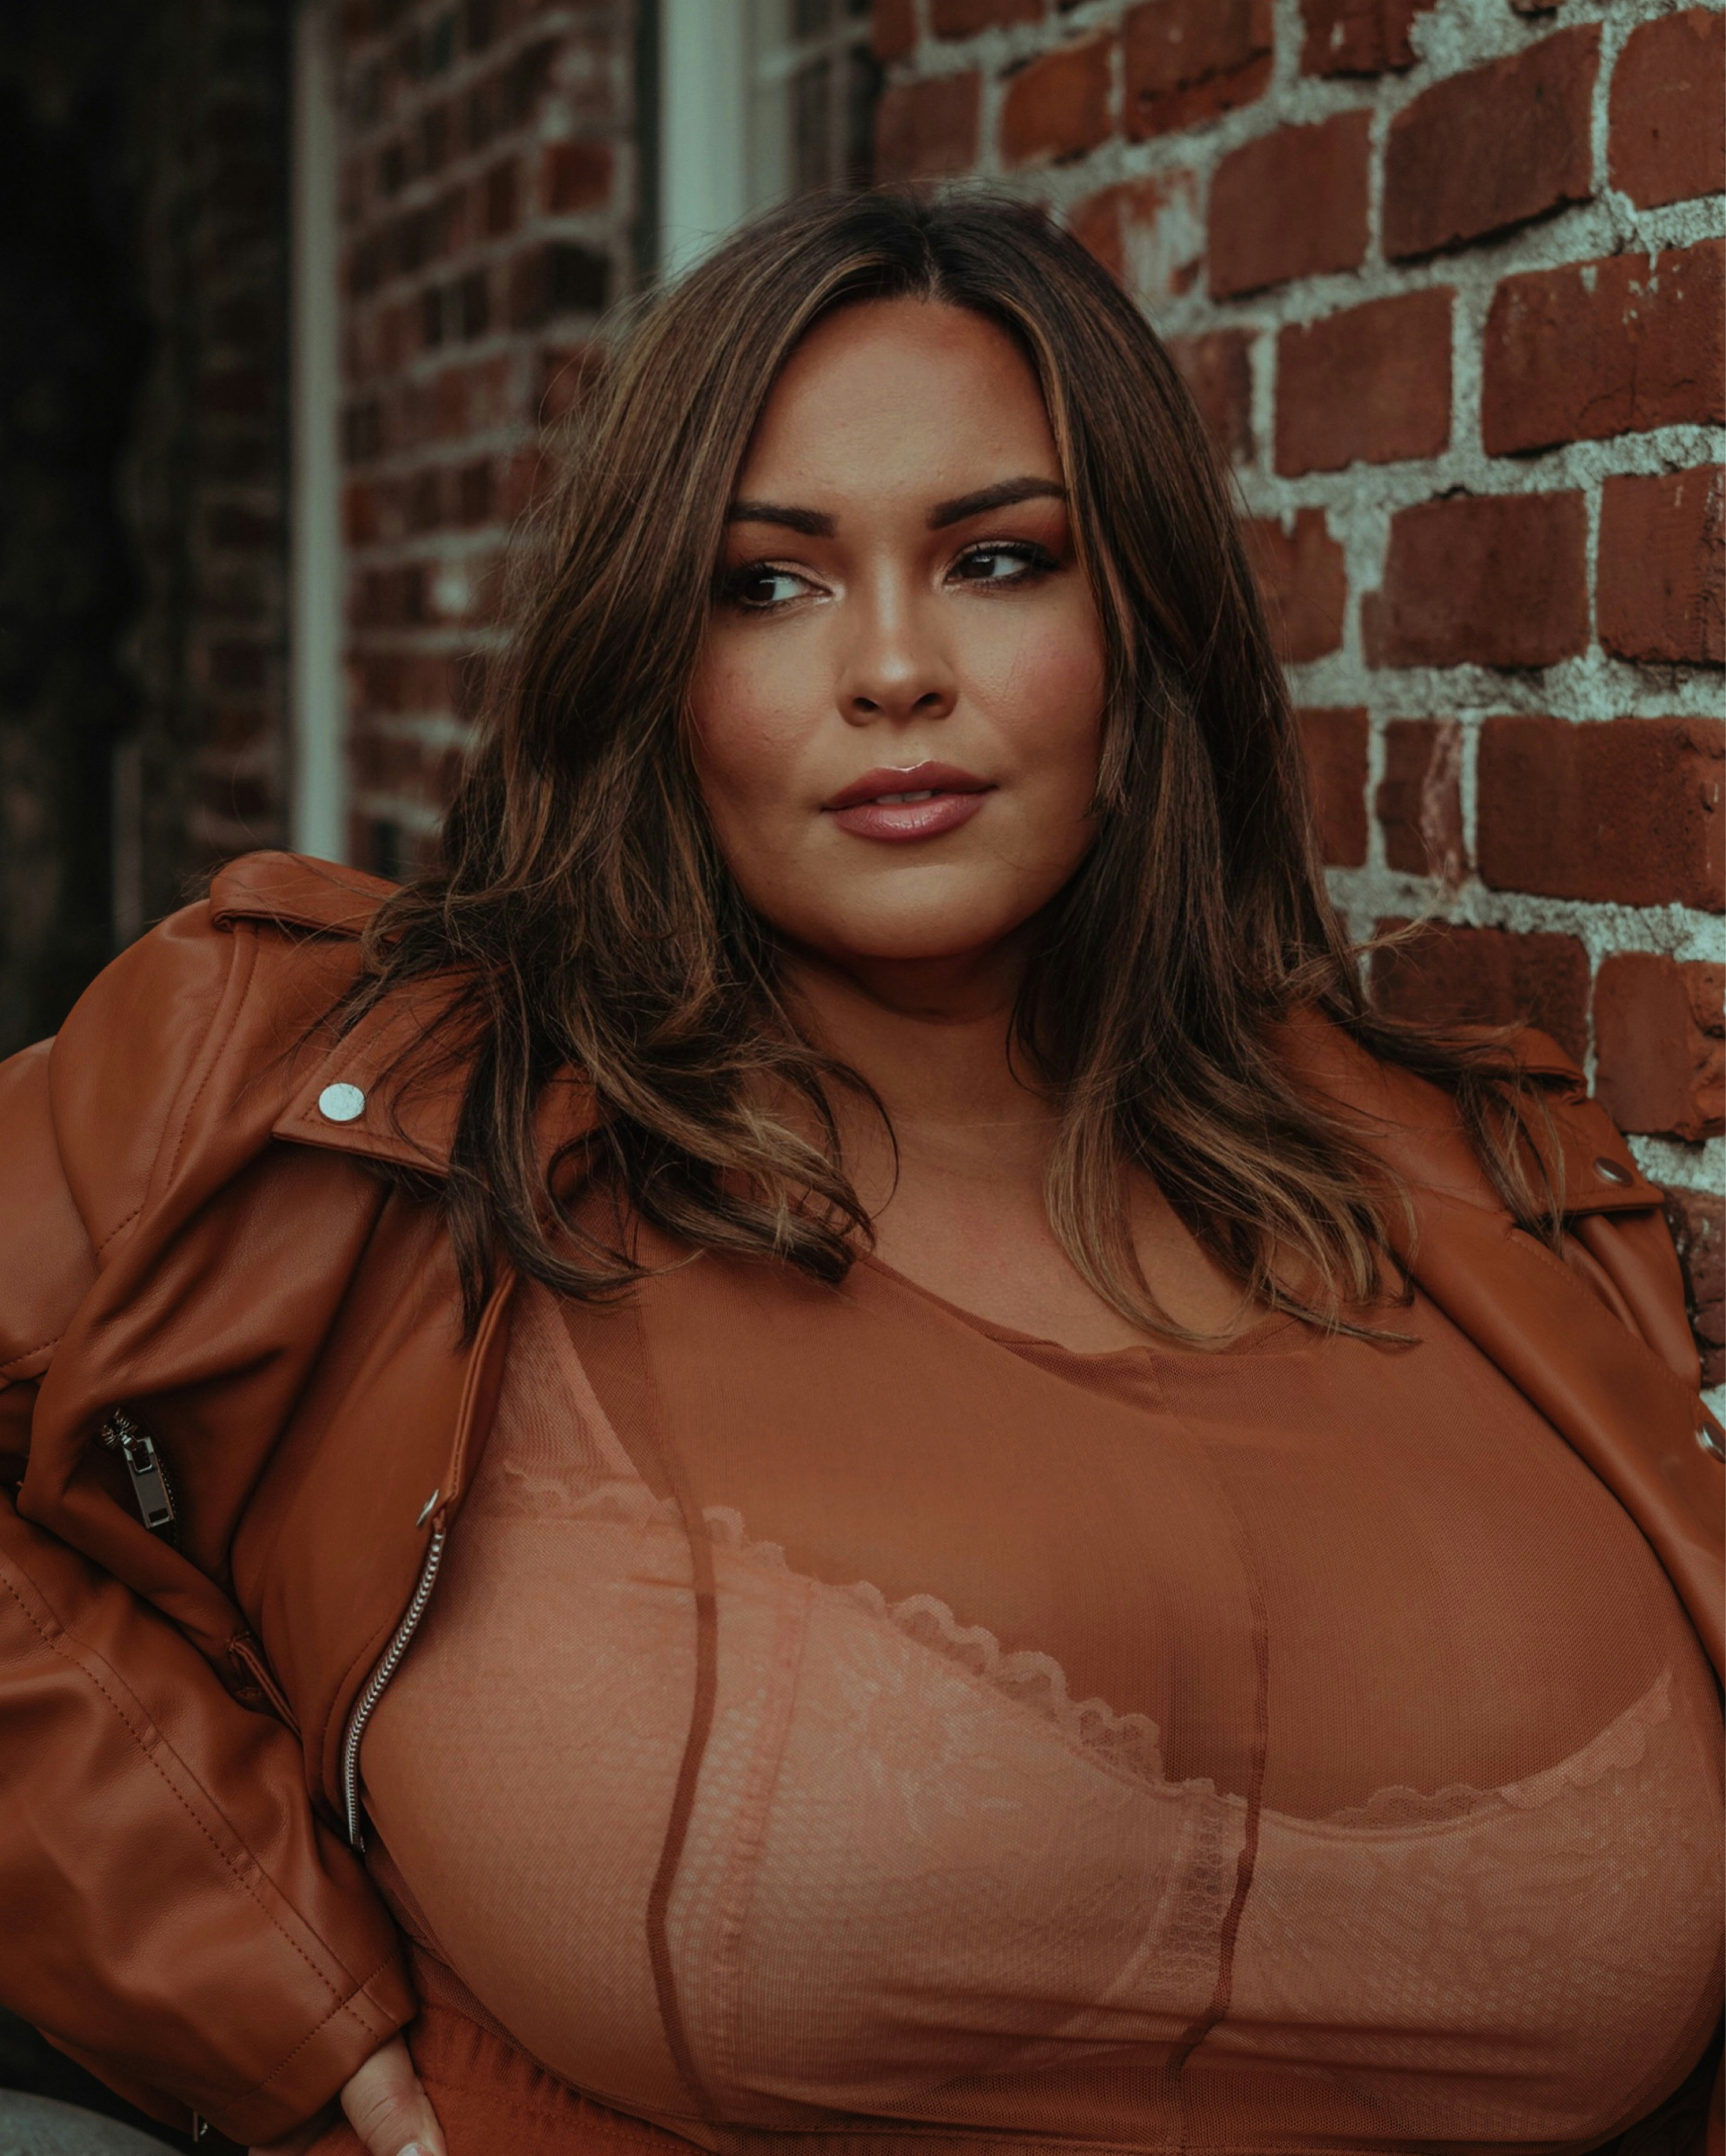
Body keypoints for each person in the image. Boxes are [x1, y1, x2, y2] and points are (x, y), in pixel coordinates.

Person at [0, 190, 1718, 2156]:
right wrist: (267, 1998)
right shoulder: (367, 1102)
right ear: (652, 650)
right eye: (771, 584)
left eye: (998, 559)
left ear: (1134, 620)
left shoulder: (1490, 1192)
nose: (895, 667)